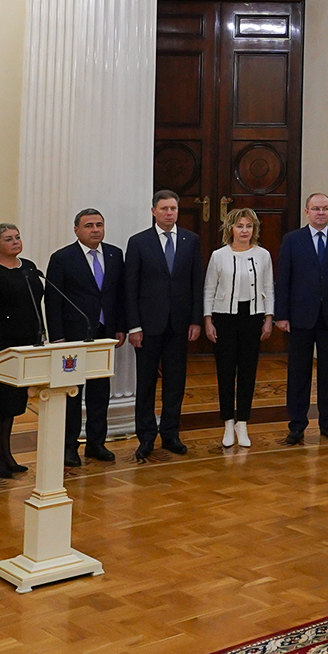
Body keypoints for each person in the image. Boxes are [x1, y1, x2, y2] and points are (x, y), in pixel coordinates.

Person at [124, 190, 204, 462]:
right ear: (153, 211)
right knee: (146, 383)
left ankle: (170, 433)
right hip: (147, 326)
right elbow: (130, 287)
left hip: (179, 324)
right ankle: (146, 436)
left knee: (175, 382)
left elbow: (196, 283)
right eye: (164, 208)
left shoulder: (191, 240)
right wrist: (133, 326)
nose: (170, 213)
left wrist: (195, 319)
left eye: (173, 208)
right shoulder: (138, 242)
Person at [44, 209, 125, 467]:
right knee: (72, 393)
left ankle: (96, 443)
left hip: (105, 333)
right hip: (73, 336)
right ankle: (69, 446)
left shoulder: (114, 255)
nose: (95, 230)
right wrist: (57, 337)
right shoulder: (62, 258)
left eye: (99, 224)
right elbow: (53, 299)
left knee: (100, 391)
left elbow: (119, 294)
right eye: (89, 225)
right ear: (76, 230)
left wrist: (119, 327)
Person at [275, 192, 328, 446]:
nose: (321, 213)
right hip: (300, 317)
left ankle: (327, 421)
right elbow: (284, 279)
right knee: (298, 372)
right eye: (316, 208)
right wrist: (282, 315)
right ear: (306, 212)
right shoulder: (292, 240)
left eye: (325, 208)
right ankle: (297, 425)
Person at [0, 223, 48, 481]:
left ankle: (7, 454)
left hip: (23, 345)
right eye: (8, 239)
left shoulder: (28, 268)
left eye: (17, 237)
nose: (15, 242)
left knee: (12, 403)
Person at [205, 207, 273, 447]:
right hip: (224, 317)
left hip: (252, 317)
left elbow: (269, 287)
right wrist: (208, 319)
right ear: (230, 228)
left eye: (249, 226)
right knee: (225, 372)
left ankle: (242, 422)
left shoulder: (263, 255)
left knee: (247, 371)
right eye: (240, 226)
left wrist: (268, 317)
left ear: (254, 229)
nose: (244, 230)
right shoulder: (219, 255)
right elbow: (209, 289)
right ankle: (227, 422)